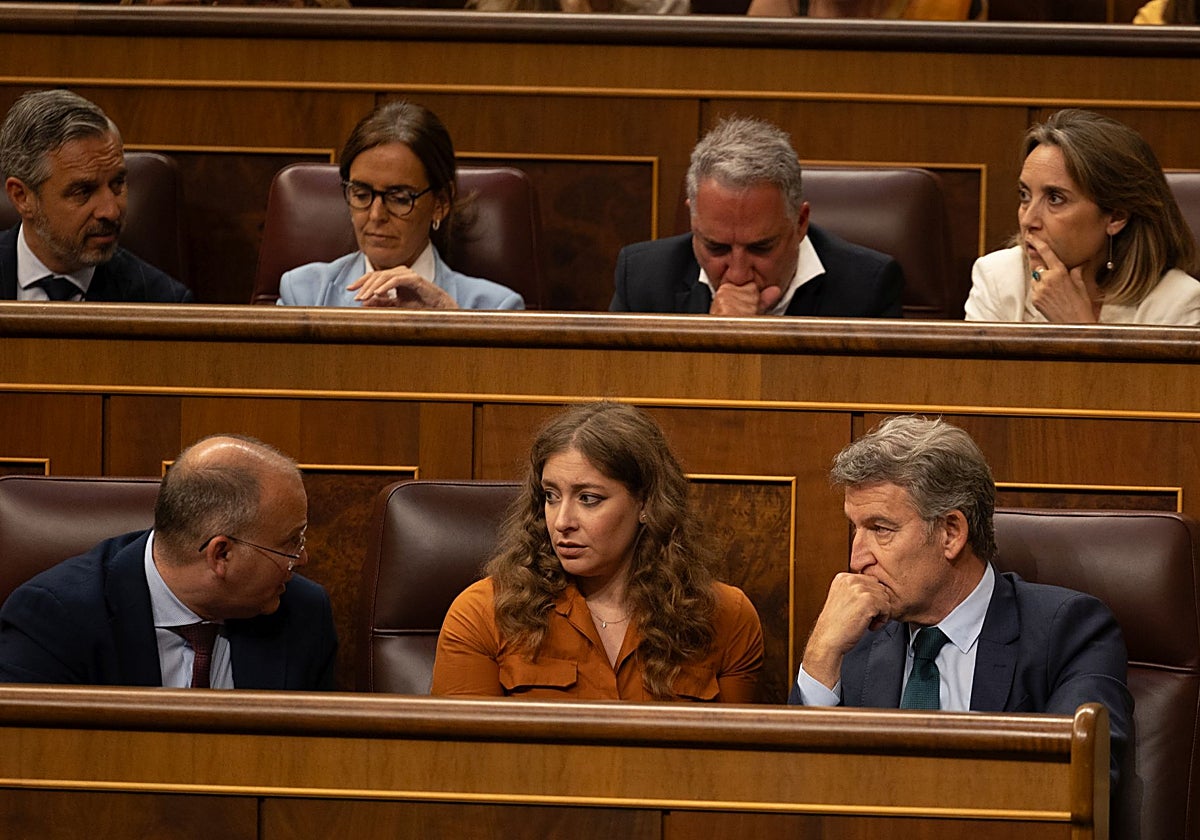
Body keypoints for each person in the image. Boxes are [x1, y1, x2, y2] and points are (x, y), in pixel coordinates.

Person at [789, 415, 1132, 785]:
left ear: (951, 533)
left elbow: (1075, 783)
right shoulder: (851, 637)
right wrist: (820, 656)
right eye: (856, 529)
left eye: (880, 529)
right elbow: (792, 790)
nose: (857, 559)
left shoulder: (1069, 633)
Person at [432, 402, 763, 701]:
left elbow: (732, 763)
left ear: (647, 504)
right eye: (550, 496)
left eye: (588, 499)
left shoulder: (725, 616)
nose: (562, 521)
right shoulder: (484, 613)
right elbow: (464, 763)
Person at [0, 435, 337, 689]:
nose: (302, 558)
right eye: (290, 543)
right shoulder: (55, 618)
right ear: (221, 555)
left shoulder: (303, 615)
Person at [610, 116, 904, 318]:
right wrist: (710, 339)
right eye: (717, 247)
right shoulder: (642, 279)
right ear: (693, 220)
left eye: (760, 247)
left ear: (800, 222)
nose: (738, 274)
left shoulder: (867, 287)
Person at [277, 100, 524, 310]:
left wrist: (454, 323)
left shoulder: (495, 307)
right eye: (361, 194)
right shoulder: (303, 293)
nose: (375, 215)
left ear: (440, 202)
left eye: (399, 198)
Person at [965, 109, 1200, 324]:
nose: (1028, 220)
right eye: (1025, 195)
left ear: (1116, 217)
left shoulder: (1178, 304)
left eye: (1055, 198)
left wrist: (1079, 328)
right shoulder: (998, 278)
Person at [0, 89, 192, 303]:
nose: (111, 211)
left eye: (117, 184)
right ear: (21, 197)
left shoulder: (161, 301)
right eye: (83, 192)